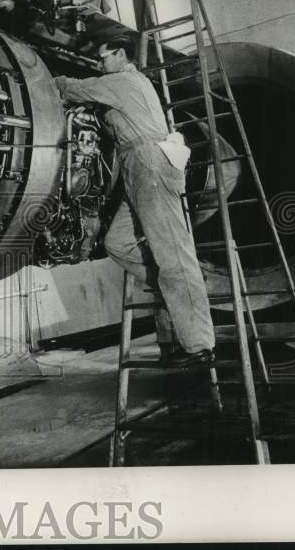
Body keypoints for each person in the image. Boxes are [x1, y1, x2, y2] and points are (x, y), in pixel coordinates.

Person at [53, 35, 216, 368]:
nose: (100, 65)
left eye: (102, 59)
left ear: (121, 54)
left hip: (149, 162)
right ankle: (178, 291)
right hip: (133, 167)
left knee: (173, 254)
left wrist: (48, 79)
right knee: (117, 243)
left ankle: (199, 345)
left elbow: (79, 89)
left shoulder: (125, 80)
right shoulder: (123, 86)